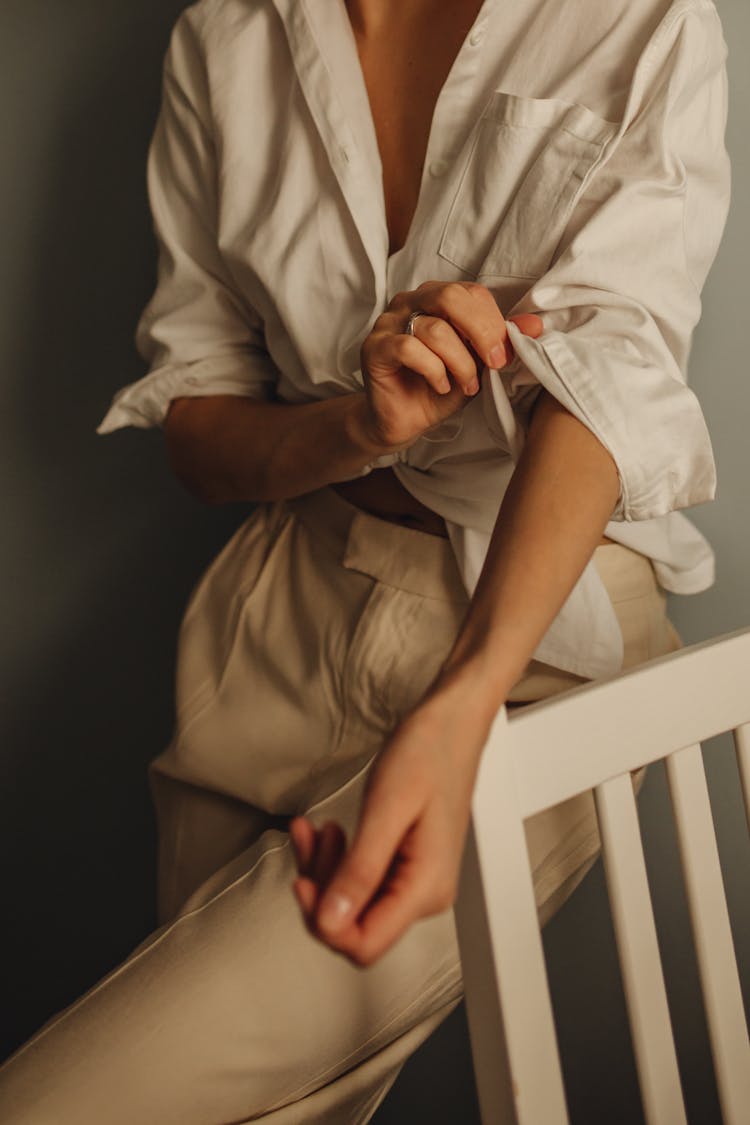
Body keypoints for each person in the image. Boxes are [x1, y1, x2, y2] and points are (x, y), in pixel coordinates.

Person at [0, 0, 730, 1121]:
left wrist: (467, 707)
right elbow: (199, 422)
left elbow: (611, 376)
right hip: (278, 620)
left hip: (526, 650)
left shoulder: (640, 16)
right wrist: (361, 423)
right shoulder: (221, 37)